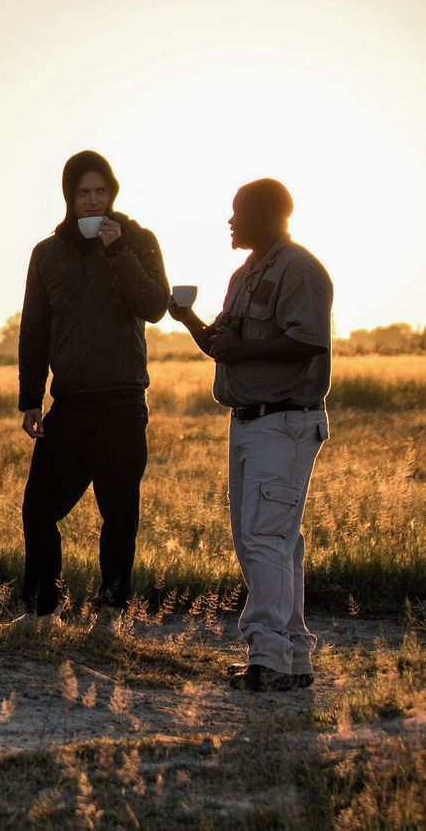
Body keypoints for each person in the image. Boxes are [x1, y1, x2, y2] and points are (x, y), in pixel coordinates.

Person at [168, 179, 331, 692]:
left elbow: (307, 343)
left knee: (265, 540)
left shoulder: (299, 270)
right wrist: (186, 318)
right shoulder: (245, 274)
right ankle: (291, 657)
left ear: (268, 214)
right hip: (251, 421)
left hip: (284, 420)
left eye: (239, 212)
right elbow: (224, 346)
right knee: (269, 541)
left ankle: (269, 658)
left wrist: (243, 352)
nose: (231, 221)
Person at [16, 150, 169, 631]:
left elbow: (155, 305)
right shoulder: (47, 253)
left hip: (123, 402)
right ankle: (43, 611)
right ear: (69, 196)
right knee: (38, 509)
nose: (91, 201)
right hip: (70, 405)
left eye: (100, 191)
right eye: (83, 192)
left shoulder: (138, 241)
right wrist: (30, 399)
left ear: (112, 194)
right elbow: (34, 330)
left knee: (119, 513)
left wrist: (117, 251)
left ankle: (111, 612)